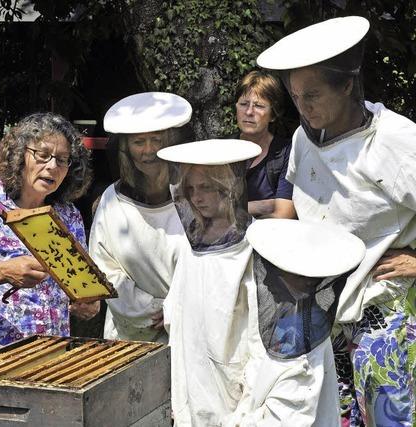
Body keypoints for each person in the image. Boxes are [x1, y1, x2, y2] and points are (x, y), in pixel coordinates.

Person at [258, 15, 416, 426]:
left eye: (312, 95)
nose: (303, 107)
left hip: (385, 312)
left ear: (347, 84)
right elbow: (294, 208)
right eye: (294, 96)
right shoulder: (301, 139)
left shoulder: (396, 140)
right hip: (325, 311)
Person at [0, 112, 98, 358]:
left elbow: (80, 283)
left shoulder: (69, 215)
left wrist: (88, 302)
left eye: (62, 159)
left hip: (54, 358)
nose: (52, 166)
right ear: (19, 155)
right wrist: (4, 272)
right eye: (43, 155)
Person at [223, 218, 366, 427]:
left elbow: (287, 417)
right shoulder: (294, 317)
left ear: (308, 281)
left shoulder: (305, 346)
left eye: (278, 273)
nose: (267, 280)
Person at [158, 138, 261, 425]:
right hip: (191, 372)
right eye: (190, 189)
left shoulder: (255, 245)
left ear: (226, 186)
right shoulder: (188, 244)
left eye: (204, 187)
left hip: (233, 380)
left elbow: (259, 327)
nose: (196, 197)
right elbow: (178, 309)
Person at [89, 92, 191, 343]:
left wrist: (178, 308)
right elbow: (104, 269)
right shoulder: (111, 202)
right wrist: (151, 310)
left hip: (188, 331)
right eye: (138, 142)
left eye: (157, 139)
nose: (149, 151)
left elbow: (210, 263)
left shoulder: (196, 196)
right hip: (130, 336)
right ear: (125, 149)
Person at [233, 71, 295, 219]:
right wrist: (264, 205)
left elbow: (283, 215)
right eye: (243, 104)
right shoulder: (221, 149)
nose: (249, 112)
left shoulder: (286, 152)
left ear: (273, 114)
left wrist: (232, 208)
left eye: (259, 106)